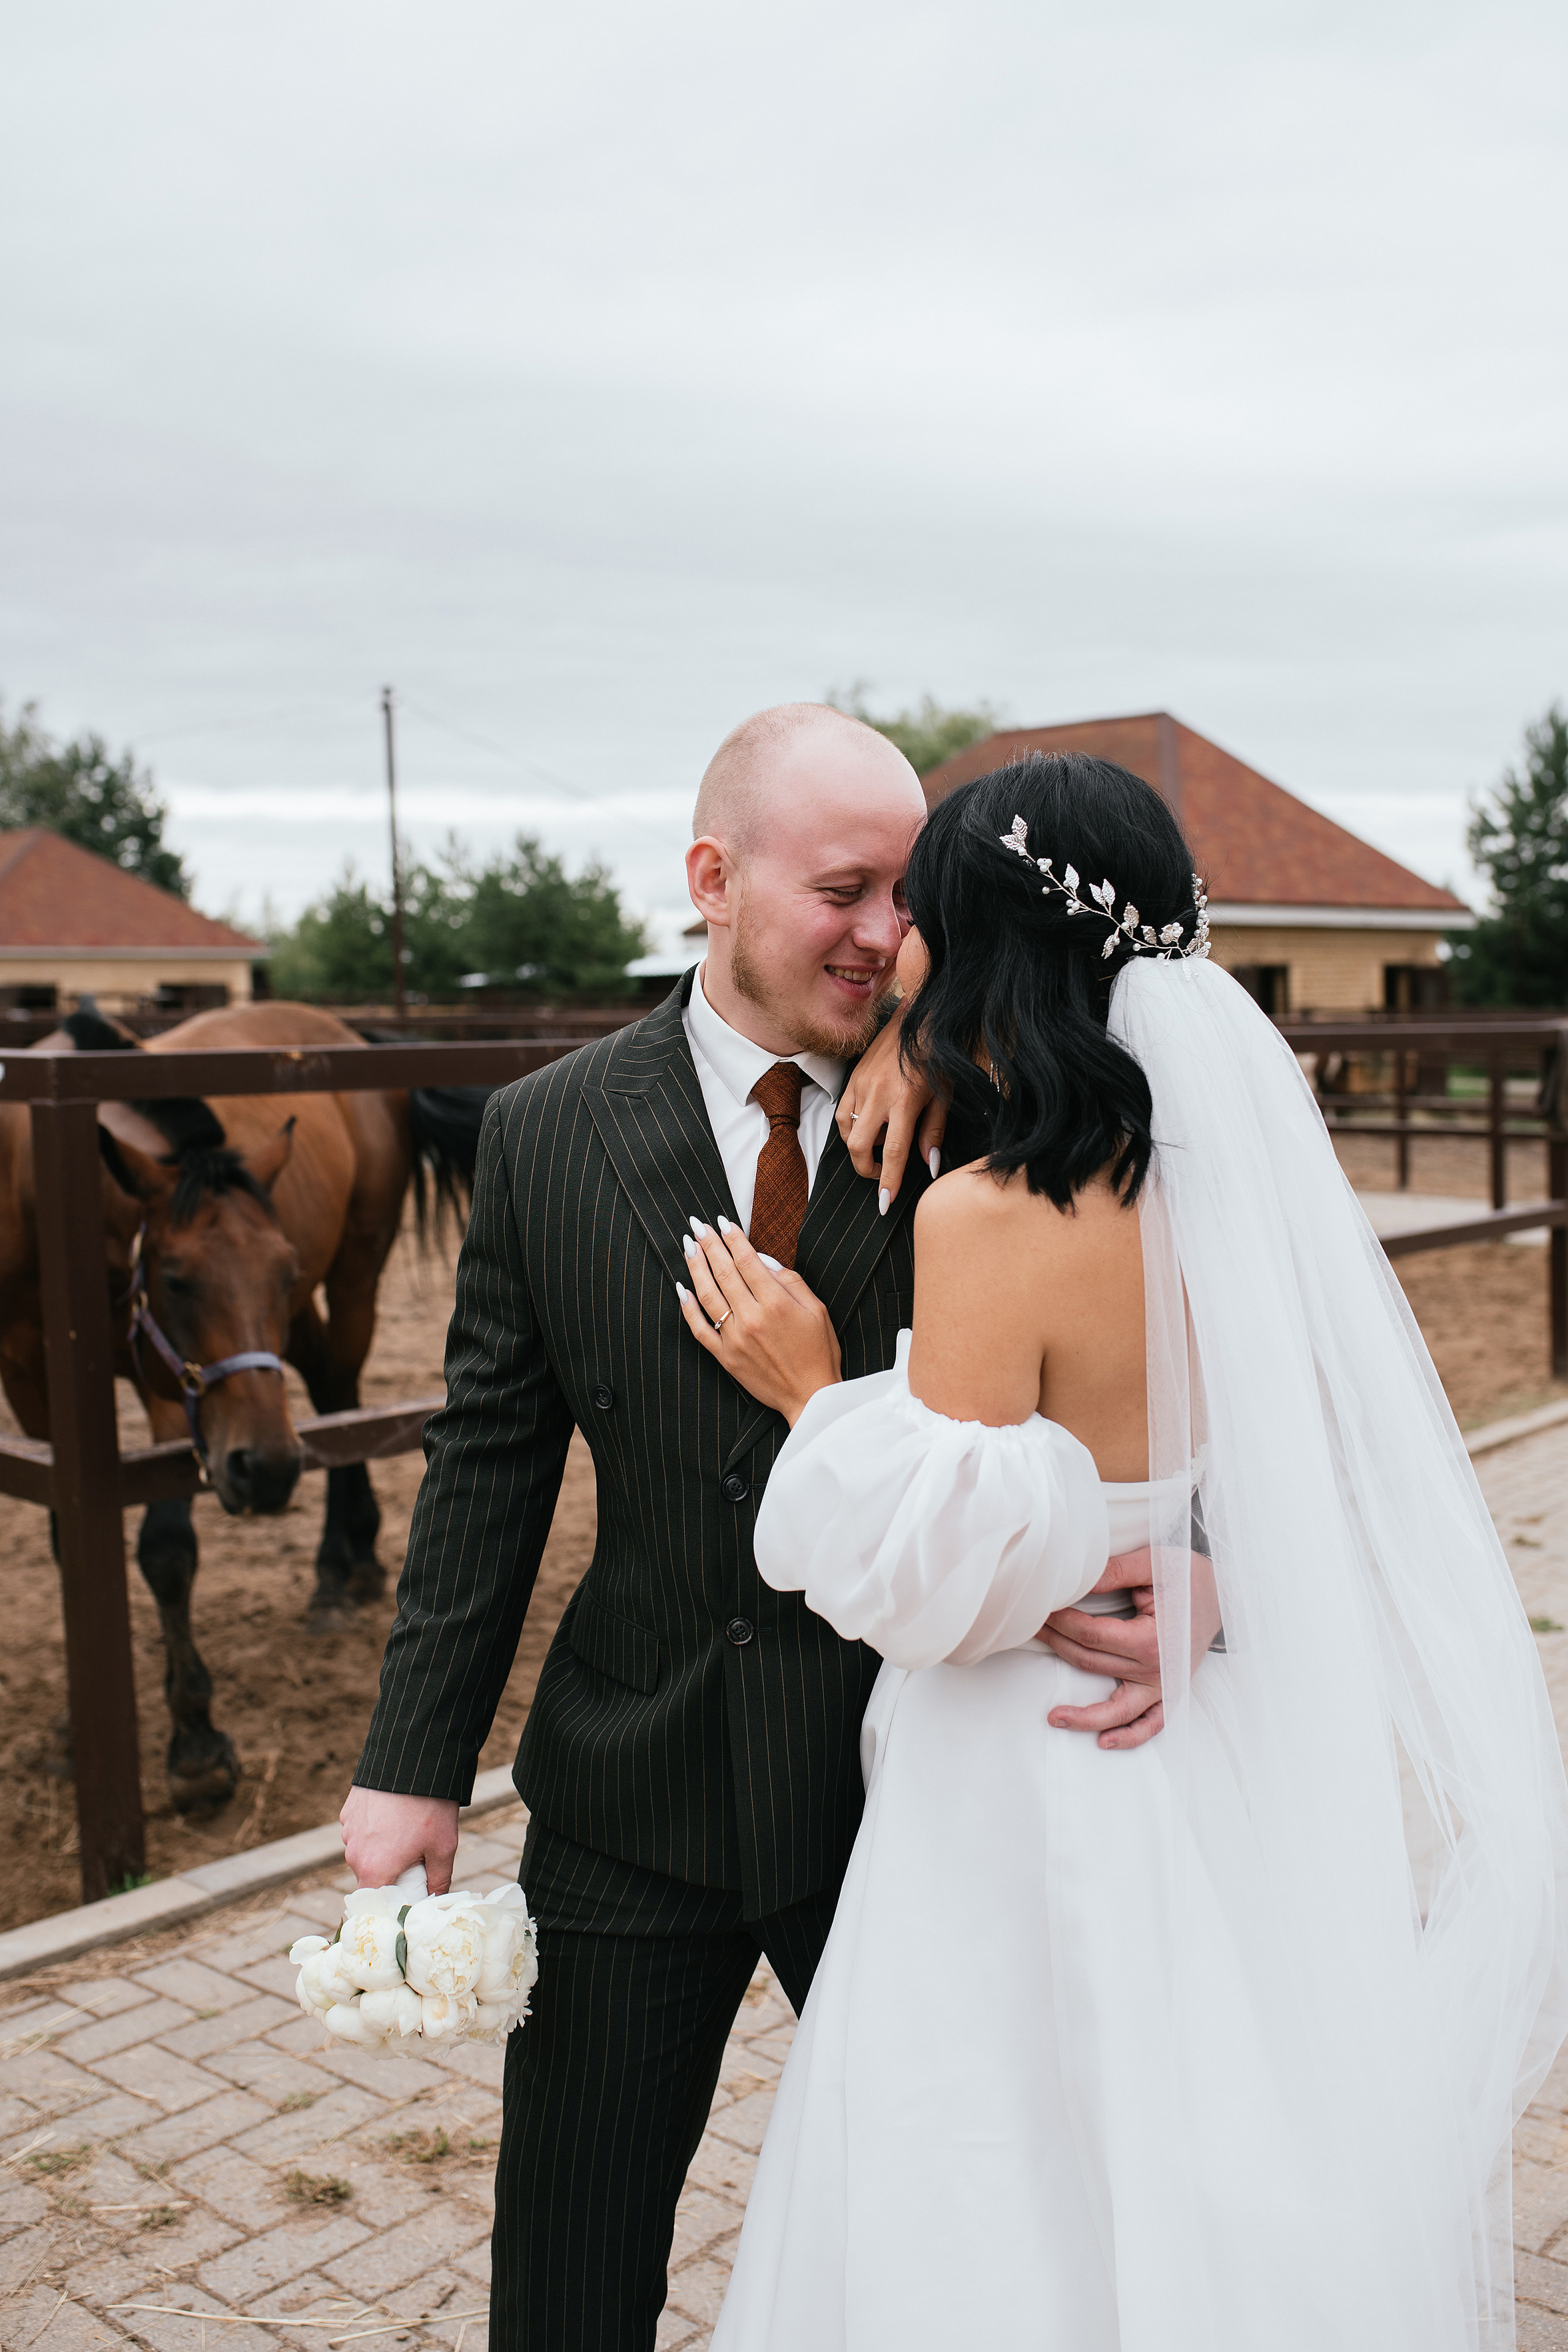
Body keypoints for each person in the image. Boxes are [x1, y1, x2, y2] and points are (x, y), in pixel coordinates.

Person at [679, 752, 1568, 2351]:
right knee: (1216, 2112)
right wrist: (1215, 1573)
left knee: (1000, 2158)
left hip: (1033, 1752)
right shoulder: (1239, 1192)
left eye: (922, 917)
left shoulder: (987, 1215)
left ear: (982, 948)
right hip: (1206, 1728)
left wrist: (816, 1394)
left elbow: (947, 1572)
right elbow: (1302, 1458)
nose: (896, 948)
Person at [341, 704, 1152, 2349]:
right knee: (566, 2282)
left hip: (903, 1792)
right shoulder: (546, 1131)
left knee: (958, 2266)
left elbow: (1145, 1381)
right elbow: (491, 1458)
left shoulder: (1000, 1113)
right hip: (627, 1789)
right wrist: (413, 1764)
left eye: (909, 897)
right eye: (843, 892)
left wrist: (1200, 1569)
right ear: (713, 880)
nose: (886, 934)